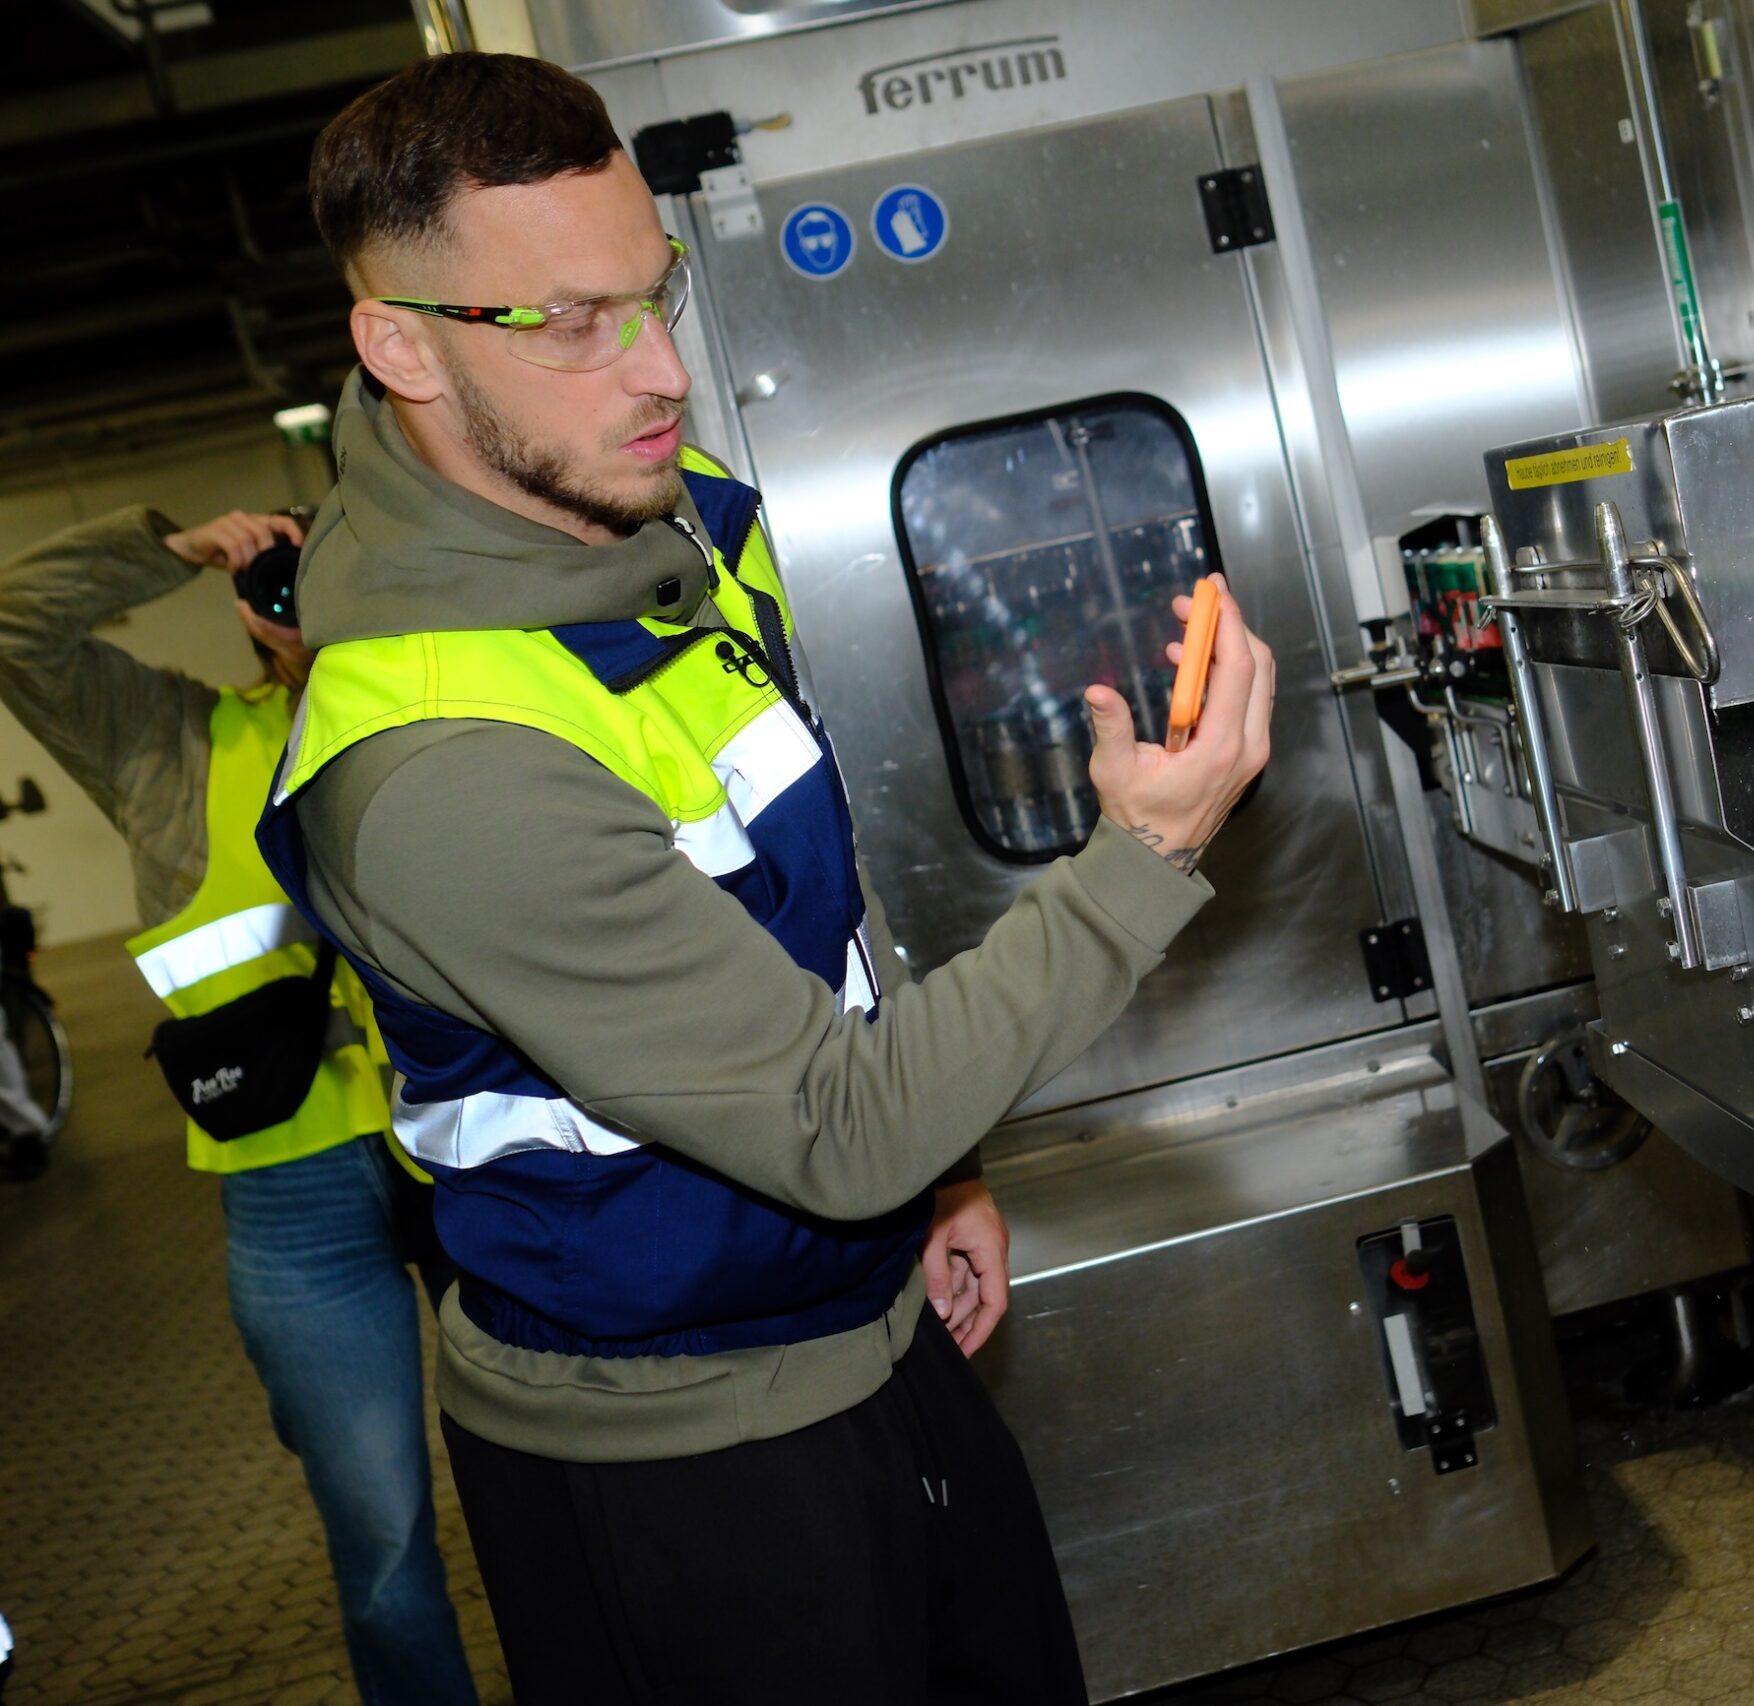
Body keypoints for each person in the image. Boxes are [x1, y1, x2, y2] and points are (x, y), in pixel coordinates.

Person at [264, 52, 1275, 1703]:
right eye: (570, 323)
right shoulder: (446, 761)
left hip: (869, 1331)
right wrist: (1144, 854)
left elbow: (808, 917)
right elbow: (835, 1126)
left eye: (652, 293)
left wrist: (942, 1177)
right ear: (403, 348)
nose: (661, 370)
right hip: (679, 1461)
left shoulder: (677, 537)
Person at [0, 506, 478, 1705]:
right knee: (379, 1534)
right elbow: (11, 628)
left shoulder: (458, 693)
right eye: (277, 574)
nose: (298, 596)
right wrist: (168, 546)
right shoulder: (169, 741)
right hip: (289, 1182)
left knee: (552, 1478)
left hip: (474, 1152)